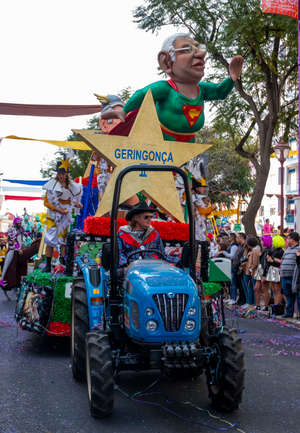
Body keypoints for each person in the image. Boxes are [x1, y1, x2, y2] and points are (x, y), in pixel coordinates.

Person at [101, 33, 243, 143]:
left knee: (185, 175)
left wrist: (232, 79)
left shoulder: (202, 89)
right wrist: (124, 111)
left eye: (200, 48)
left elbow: (220, 91)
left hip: (189, 142)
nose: (201, 54)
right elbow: (142, 94)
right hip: (163, 141)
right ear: (166, 61)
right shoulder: (165, 89)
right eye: (188, 49)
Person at [43, 156, 83, 272]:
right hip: (53, 215)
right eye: (60, 173)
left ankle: (62, 262)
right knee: (50, 240)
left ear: (67, 174)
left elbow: (71, 200)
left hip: (65, 216)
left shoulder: (72, 186)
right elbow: (46, 202)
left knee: (63, 240)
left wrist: (77, 204)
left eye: (64, 173)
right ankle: (48, 265)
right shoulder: (51, 185)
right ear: (57, 173)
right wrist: (58, 210)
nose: (61, 175)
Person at [117, 202, 179, 267]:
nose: (150, 220)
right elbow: (119, 256)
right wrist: (125, 266)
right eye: (146, 217)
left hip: (153, 269)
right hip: (132, 269)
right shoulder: (122, 234)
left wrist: (179, 261)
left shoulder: (154, 233)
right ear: (136, 218)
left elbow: (163, 255)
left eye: (151, 217)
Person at [0, 217, 40, 292]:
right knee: (7, 264)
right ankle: (2, 279)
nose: (20, 224)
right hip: (13, 250)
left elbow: (26, 235)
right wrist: (18, 249)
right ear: (15, 223)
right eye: (18, 223)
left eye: (20, 222)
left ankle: (18, 282)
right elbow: (14, 240)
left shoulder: (21, 228)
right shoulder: (11, 229)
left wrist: (32, 240)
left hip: (20, 249)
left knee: (22, 265)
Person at [280, 232, 300, 318]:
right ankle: (289, 313)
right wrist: (281, 272)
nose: (287, 240)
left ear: (293, 239)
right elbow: (282, 260)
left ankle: (298, 314)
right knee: (288, 295)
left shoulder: (299, 249)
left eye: (288, 238)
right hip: (285, 276)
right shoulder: (287, 250)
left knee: (297, 295)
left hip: (294, 277)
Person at [265, 235, 285, 314]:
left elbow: (280, 262)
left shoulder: (281, 251)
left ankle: (277, 306)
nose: (272, 243)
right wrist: (270, 260)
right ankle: (275, 306)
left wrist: (272, 260)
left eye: (274, 241)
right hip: (272, 270)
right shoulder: (273, 250)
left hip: (276, 270)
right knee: (274, 289)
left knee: (277, 290)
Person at [253, 235, 272, 311]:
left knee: (265, 288)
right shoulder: (264, 250)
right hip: (260, 269)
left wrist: (265, 274)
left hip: (264, 270)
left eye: (262, 241)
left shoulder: (269, 250)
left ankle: (266, 306)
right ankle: (258, 305)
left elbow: (267, 263)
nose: (261, 242)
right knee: (256, 288)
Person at [219, 233, 239, 302]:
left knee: (233, 282)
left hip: (233, 265)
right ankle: (231, 297)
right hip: (230, 264)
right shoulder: (231, 245)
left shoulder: (234, 246)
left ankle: (233, 298)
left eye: (229, 237)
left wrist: (224, 252)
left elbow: (232, 256)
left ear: (232, 238)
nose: (228, 239)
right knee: (231, 282)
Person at [232, 232, 247, 305]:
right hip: (237, 267)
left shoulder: (244, 246)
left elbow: (243, 257)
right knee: (239, 286)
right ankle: (241, 300)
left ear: (241, 238)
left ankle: (243, 300)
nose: (236, 239)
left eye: (238, 237)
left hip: (241, 268)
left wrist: (240, 265)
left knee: (242, 286)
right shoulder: (240, 246)